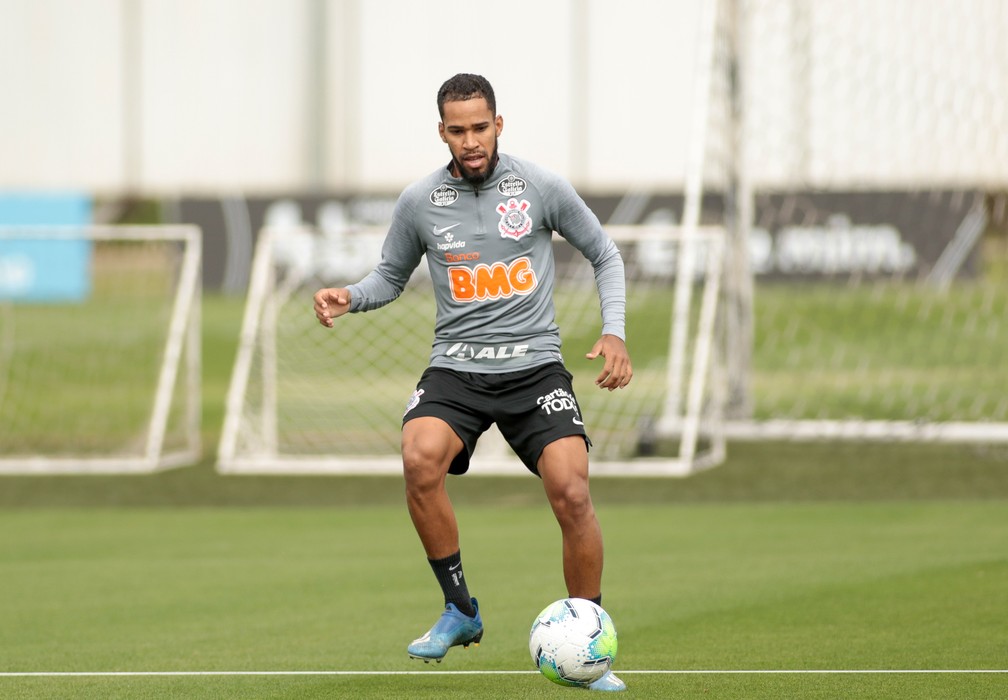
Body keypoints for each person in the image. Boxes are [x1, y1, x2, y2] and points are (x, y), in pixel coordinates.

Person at [313, 73, 632, 692]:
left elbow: (606, 253)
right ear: (442, 132)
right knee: (418, 457)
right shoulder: (419, 202)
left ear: (498, 124)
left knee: (571, 491)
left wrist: (613, 331)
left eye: (479, 127)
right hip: (457, 367)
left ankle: (588, 642)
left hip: (535, 365)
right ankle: (460, 610)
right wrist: (350, 297)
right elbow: (389, 278)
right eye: (457, 131)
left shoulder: (539, 186)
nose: (470, 141)